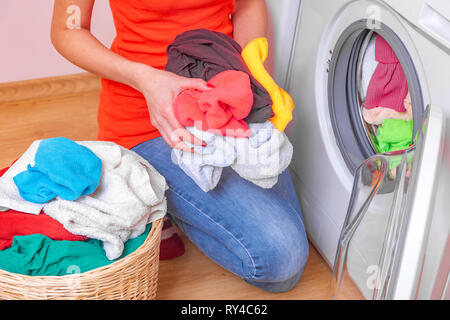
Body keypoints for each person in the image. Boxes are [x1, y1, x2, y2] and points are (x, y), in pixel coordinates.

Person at [51, 0, 309, 293]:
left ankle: (164, 203)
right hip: (150, 120)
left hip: (222, 101)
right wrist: (145, 78)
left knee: (284, 273)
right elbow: (67, 30)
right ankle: (160, 198)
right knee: (281, 260)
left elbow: (249, 4)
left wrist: (248, 74)